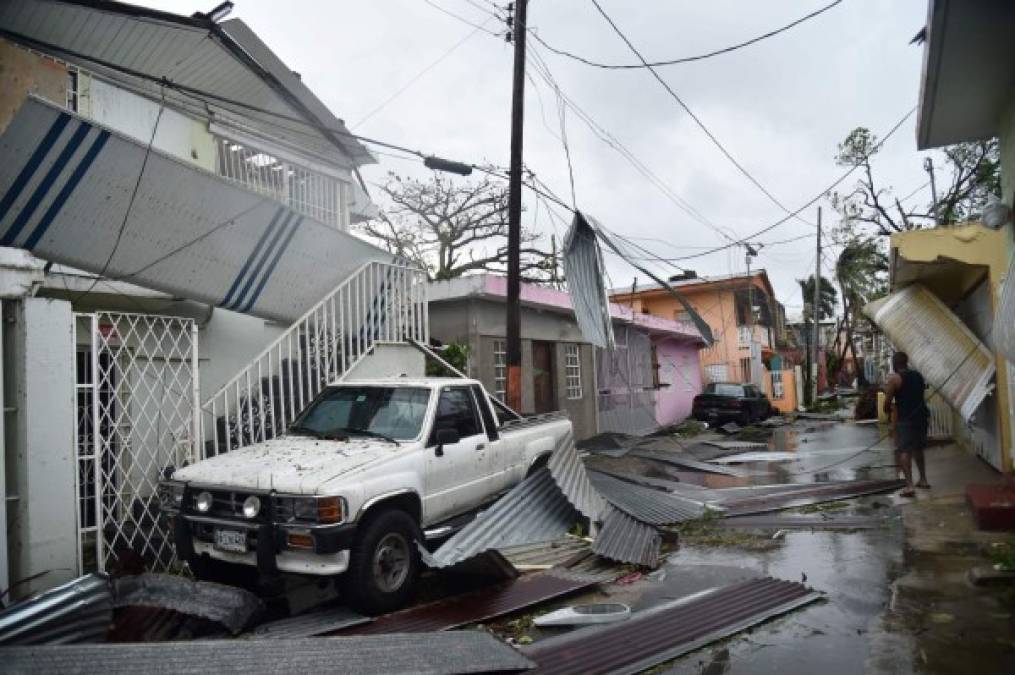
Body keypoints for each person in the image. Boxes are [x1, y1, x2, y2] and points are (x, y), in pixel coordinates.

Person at [883, 351, 930, 497]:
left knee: (904, 451)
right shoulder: (918, 375)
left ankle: (909, 486)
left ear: (895, 364)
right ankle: (923, 479)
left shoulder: (895, 380)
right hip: (922, 416)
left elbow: (886, 403)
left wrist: (889, 410)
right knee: (918, 448)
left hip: (906, 419)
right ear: (906, 362)